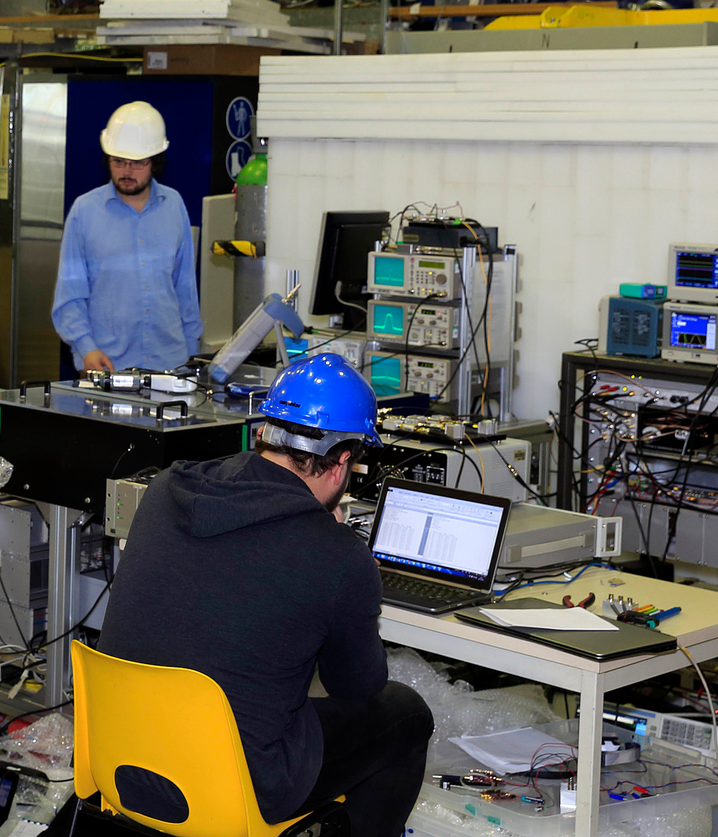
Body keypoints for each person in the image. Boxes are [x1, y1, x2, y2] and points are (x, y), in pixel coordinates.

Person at [99, 354, 433, 837]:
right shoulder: (336, 555)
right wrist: (339, 557)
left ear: (265, 432)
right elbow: (356, 688)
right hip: (232, 785)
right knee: (404, 714)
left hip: (123, 757)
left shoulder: (168, 487)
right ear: (342, 462)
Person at [50, 101, 202, 372]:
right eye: (118, 161)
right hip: (108, 366)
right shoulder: (84, 212)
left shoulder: (174, 205)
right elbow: (70, 295)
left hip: (172, 364)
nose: (126, 172)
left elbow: (185, 288)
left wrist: (191, 353)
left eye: (137, 163)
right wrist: (86, 347)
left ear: (155, 161)